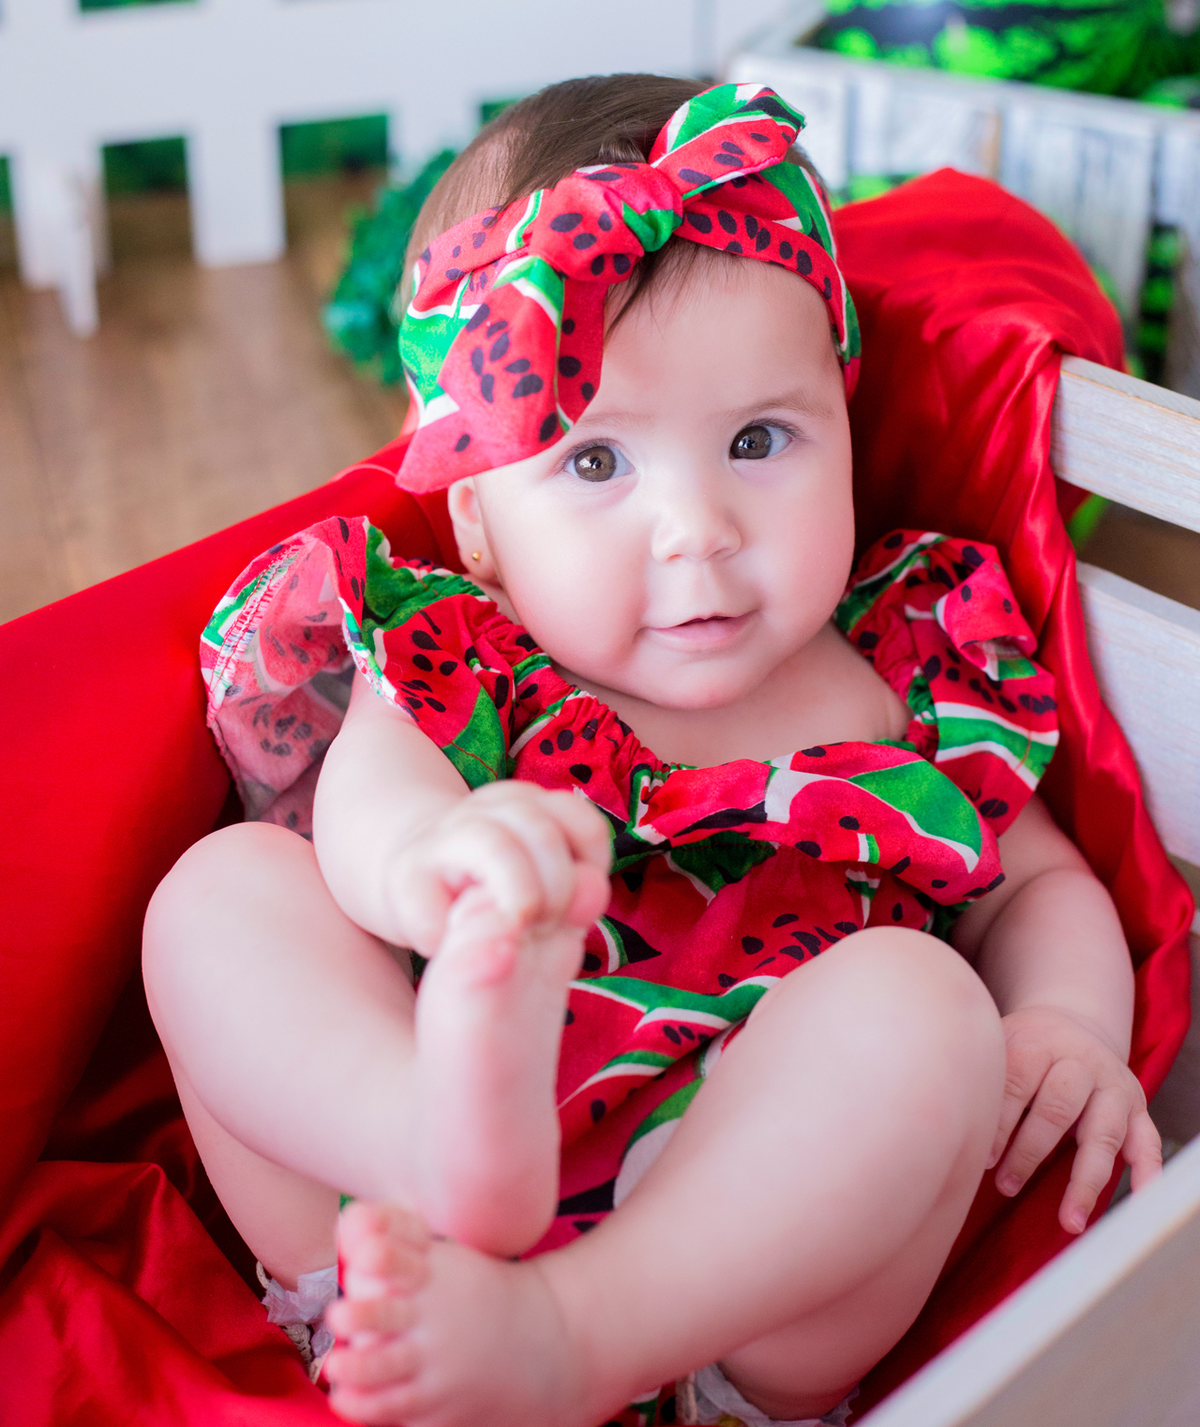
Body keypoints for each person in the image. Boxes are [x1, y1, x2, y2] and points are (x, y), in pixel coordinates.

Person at [143, 77, 1161, 1427]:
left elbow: (1035, 883)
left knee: (924, 1009)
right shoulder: (467, 655)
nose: (697, 527)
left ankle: (579, 1330)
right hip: (404, 1250)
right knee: (219, 898)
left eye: (757, 440)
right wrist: (433, 867)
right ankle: (430, 1138)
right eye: (595, 465)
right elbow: (360, 798)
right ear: (481, 522)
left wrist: (1068, 1022)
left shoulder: (911, 673)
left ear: (846, 419)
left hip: (742, 1294)